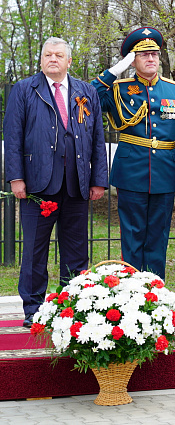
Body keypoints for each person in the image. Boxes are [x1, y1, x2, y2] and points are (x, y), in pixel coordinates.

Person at [4, 37, 108, 327]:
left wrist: (98, 180)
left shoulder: (86, 92)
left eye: (59, 55)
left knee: (76, 251)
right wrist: (16, 178)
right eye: (47, 55)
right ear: (41, 60)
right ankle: (33, 308)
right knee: (35, 250)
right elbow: (12, 137)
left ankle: (71, 306)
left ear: (68, 61)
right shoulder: (25, 90)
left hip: (76, 185)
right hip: (37, 186)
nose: (53, 59)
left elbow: (98, 139)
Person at [91, 27, 175, 279]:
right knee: (133, 236)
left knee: (158, 236)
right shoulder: (118, 88)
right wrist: (114, 72)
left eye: (154, 54)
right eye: (143, 54)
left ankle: (156, 292)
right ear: (132, 60)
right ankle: (131, 291)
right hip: (131, 171)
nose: (150, 59)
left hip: (165, 172)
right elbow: (88, 98)